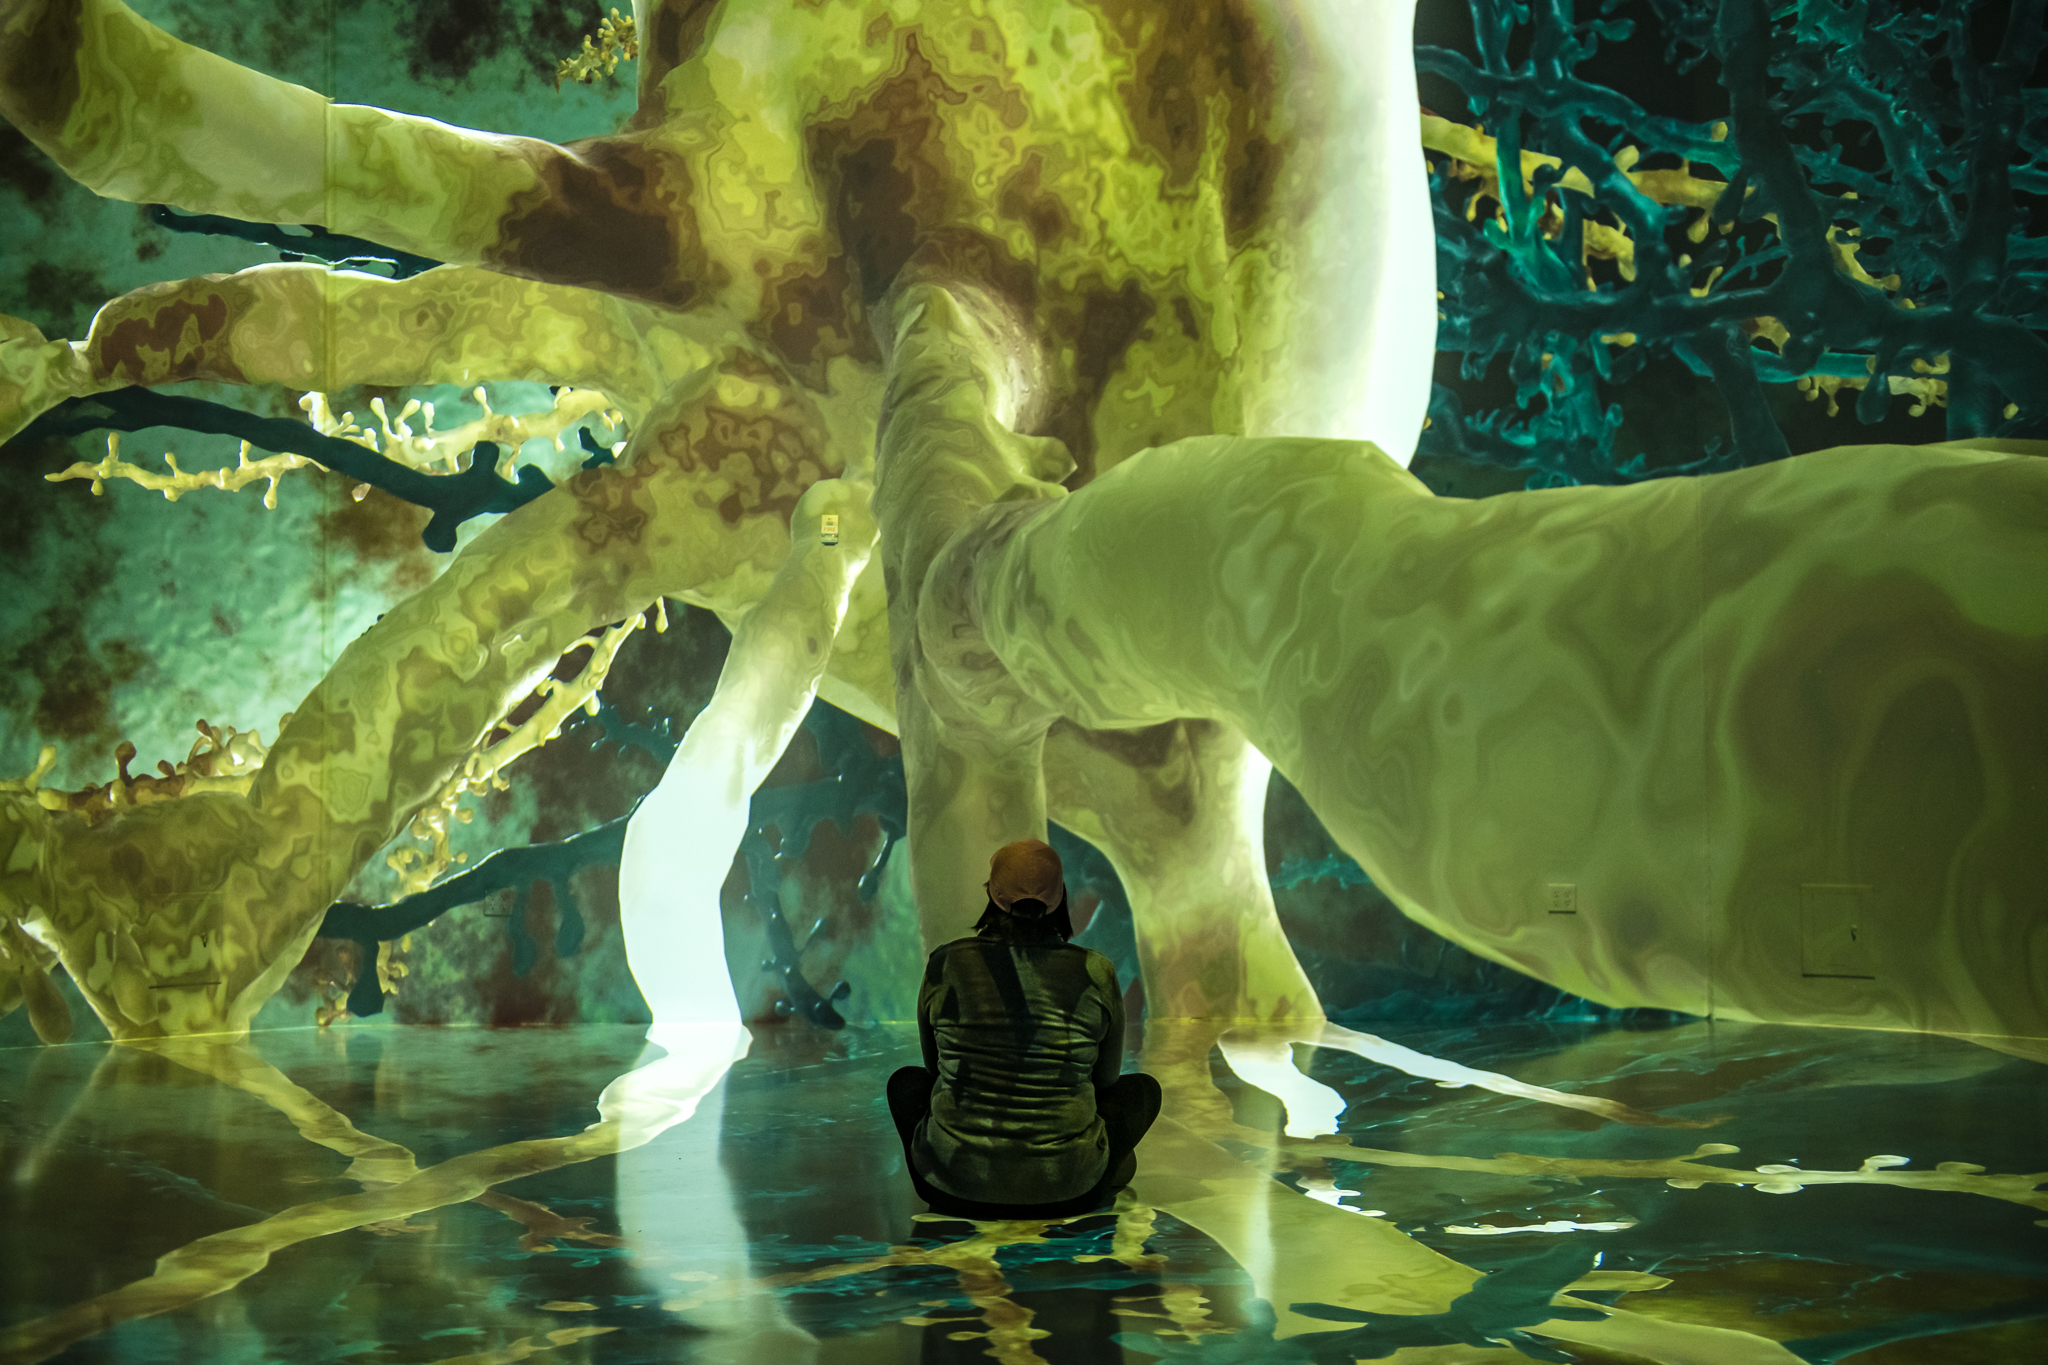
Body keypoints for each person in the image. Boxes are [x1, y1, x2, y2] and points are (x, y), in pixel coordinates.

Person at [887, 839, 1162, 1219]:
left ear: (992, 895)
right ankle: (1100, 1165)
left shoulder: (945, 962)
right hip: (1070, 1189)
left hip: (949, 1186)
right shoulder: (1096, 970)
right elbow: (1106, 1079)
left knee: (905, 1082)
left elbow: (935, 1070)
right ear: (1060, 897)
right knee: (1143, 1091)